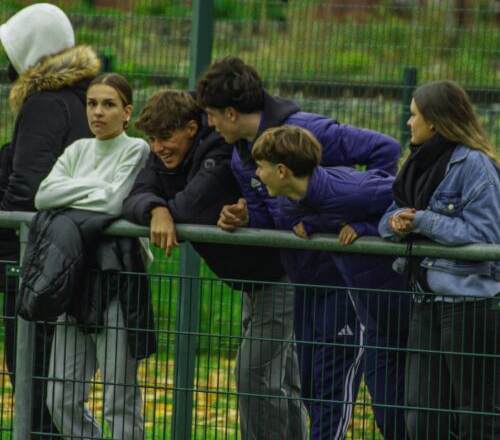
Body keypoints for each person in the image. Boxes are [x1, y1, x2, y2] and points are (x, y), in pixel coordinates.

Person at [196, 56, 407, 439]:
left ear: (231, 113)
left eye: (211, 115)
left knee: (332, 397)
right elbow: (270, 218)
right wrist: (245, 217)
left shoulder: (309, 130)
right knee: (310, 388)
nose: (210, 124)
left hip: (345, 281)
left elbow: (386, 151)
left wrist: (360, 220)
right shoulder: (243, 158)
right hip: (304, 282)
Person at [122, 89, 308, 440]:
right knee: (280, 378)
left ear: (192, 128)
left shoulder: (220, 150)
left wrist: (165, 208)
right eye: (152, 140)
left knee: (255, 375)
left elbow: (191, 206)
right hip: (253, 279)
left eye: (165, 138)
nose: (158, 148)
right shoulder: (164, 156)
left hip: (280, 273)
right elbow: (133, 198)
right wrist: (155, 209)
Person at [250, 125, 410, 439]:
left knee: (339, 391)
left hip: (384, 300)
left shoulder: (349, 191)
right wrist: (312, 223)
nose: (257, 174)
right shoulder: (287, 196)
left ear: (281, 171)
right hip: (323, 294)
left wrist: (365, 228)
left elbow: (404, 198)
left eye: (261, 167)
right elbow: (317, 214)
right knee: (311, 384)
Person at [34, 73, 153, 439]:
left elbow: (115, 202)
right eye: (92, 103)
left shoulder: (136, 149)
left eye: (108, 104)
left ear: (127, 112)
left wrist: (71, 193)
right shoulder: (77, 150)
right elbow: (43, 196)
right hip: (73, 277)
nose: (98, 112)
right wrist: (97, 188)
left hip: (118, 279)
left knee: (118, 398)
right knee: (60, 398)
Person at [0, 2, 100, 439]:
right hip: (71, 258)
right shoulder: (82, 101)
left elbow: (27, 190)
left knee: (33, 384)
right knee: (56, 391)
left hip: (35, 262)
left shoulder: (43, 105)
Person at [379, 80, 499, 439]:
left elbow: (487, 235)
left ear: (434, 121)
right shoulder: (416, 164)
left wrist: (421, 221)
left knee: (477, 418)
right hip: (424, 301)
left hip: (468, 305)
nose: (408, 122)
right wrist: (398, 223)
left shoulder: (476, 165)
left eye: (413, 115)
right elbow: (386, 220)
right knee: (421, 418)